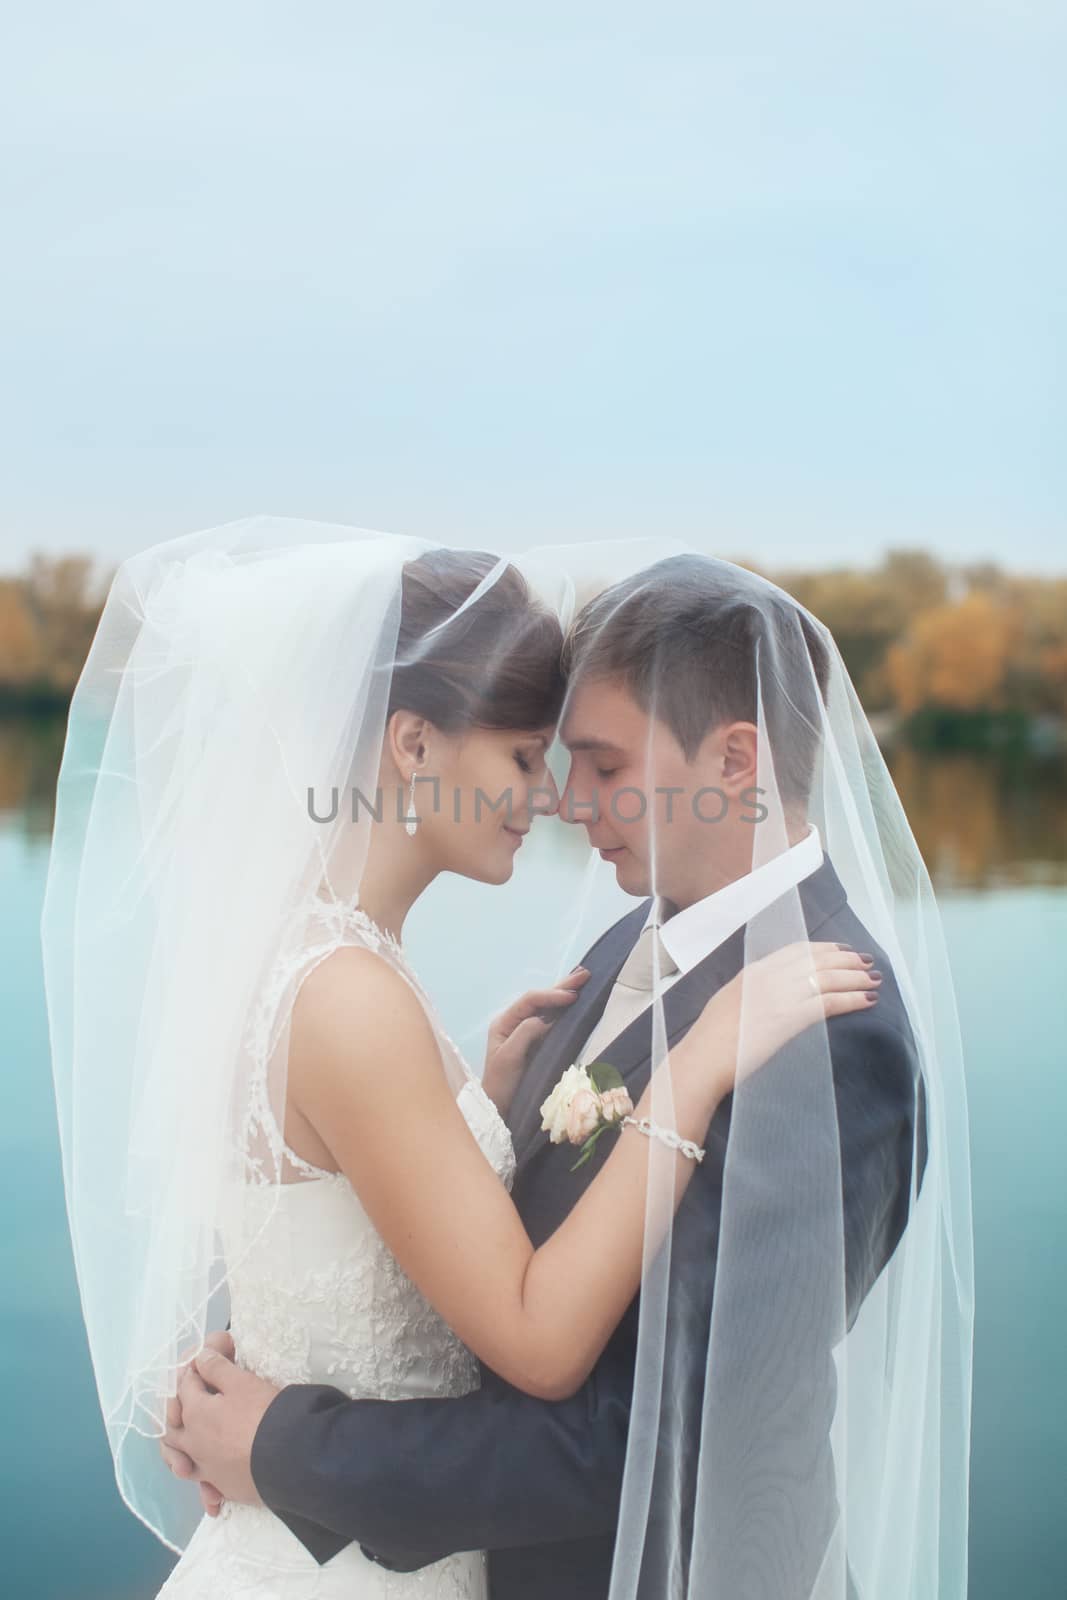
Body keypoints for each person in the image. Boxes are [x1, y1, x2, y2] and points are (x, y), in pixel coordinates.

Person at [42, 522, 885, 1600]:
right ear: (413, 745)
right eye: (526, 756)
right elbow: (536, 1344)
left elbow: (331, 1210)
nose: (553, 799)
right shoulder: (350, 994)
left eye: (575, 760)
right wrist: (697, 1061)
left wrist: (479, 1113)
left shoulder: (325, 956)